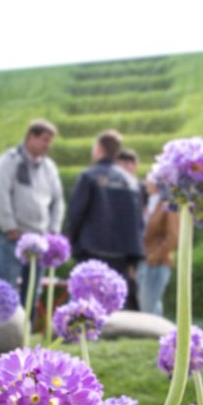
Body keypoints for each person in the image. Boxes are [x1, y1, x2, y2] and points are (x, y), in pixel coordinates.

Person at [63, 129, 145, 306]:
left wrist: (73, 243)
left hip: (91, 248)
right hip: (122, 253)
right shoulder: (131, 181)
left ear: (99, 148)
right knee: (113, 301)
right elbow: (138, 221)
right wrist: (134, 257)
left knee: (82, 300)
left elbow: (76, 213)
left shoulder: (89, 176)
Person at [0, 119, 63, 284]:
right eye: (44, 140)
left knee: (32, 294)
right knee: (8, 289)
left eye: (50, 141)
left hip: (40, 241)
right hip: (13, 240)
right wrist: (10, 227)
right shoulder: (9, 161)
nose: (48, 145)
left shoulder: (49, 167)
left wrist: (54, 230)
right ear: (30, 137)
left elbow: (58, 201)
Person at [138, 162, 177, 318]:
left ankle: (153, 339)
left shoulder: (168, 204)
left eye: (150, 177)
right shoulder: (150, 202)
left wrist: (154, 256)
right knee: (148, 306)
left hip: (157, 263)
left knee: (149, 308)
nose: (146, 181)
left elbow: (173, 236)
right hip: (145, 261)